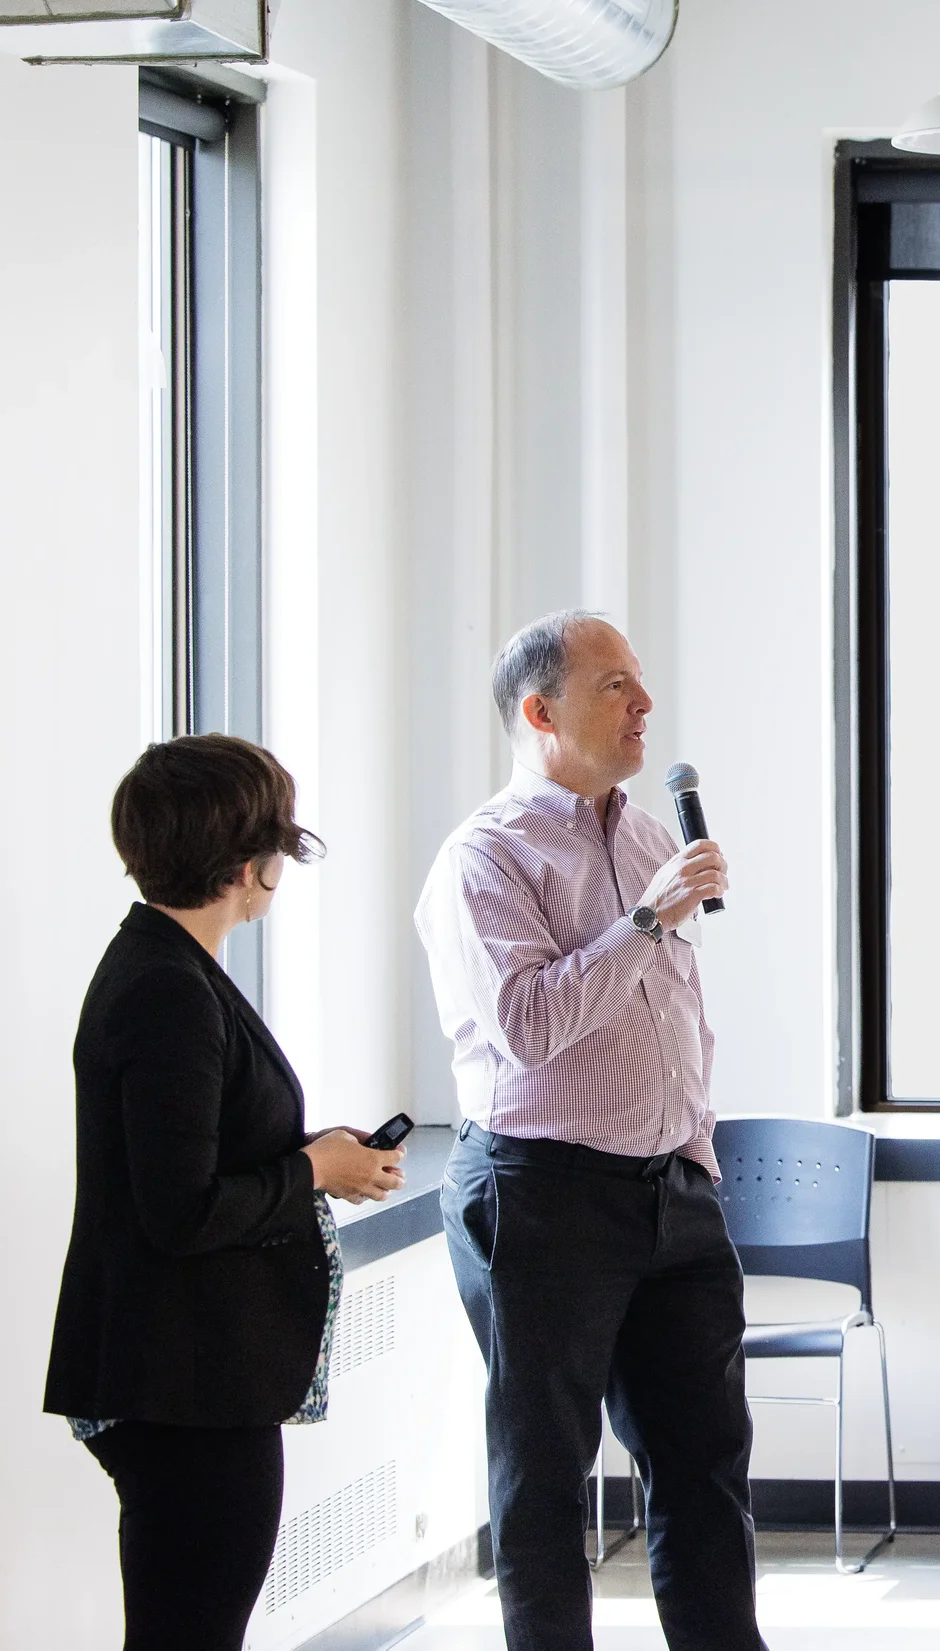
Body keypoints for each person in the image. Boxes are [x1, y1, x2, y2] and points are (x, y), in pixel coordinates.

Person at [415, 610, 761, 1651]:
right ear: (541, 711)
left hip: (673, 1190)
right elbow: (527, 1025)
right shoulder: (486, 856)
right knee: (544, 1478)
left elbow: (676, 1016)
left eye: (639, 680)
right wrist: (647, 918)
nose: (645, 703)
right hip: (544, 1193)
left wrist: (693, 1152)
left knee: (706, 1467)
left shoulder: (650, 836)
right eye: (615, 685)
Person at [46, 736, 405, 1651]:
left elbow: (192, 1156)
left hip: (188, 1380)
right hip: (186, 1384)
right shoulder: (168, 988)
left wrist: (313, 1152)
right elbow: (182, 1209)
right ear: (249, 864)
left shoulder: (169, 967)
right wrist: (315, 1171)